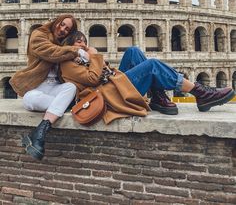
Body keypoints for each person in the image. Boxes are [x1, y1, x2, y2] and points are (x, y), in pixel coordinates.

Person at [60, 32, 235, 124]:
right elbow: (92, 79)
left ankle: (158, 97)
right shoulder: (67, 63)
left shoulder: (83, 58)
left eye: (84, 41)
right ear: (69, 46)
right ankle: (199, 92)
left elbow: (102, 73)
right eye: (78, 42)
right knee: (151, 65)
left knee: (133, 51)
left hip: (112, 85)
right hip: (109, 95)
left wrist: (94, 59)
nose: (83, 44)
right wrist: (95, 56)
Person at [10, 14, 84, 160]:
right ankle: (62, 106)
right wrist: (75, 51)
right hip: (38, 86)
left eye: (67, 29)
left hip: (55, 87)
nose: (62, 29)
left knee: (71, 87)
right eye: (62, 24)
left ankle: (39, 132)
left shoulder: (65, 44)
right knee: (29, 99)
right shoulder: (39, 34)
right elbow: (50, 52)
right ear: (56, 21)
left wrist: (79, 54)